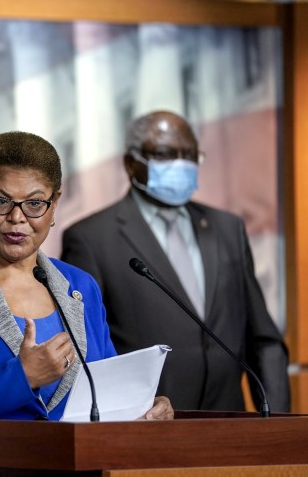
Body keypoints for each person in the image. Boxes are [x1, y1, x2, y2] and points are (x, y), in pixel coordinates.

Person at [0, 131, 173, 428]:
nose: (17, 218)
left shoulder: (80, 287)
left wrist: (144, 407)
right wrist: (21, 378)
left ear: (54, 204)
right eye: (0, 201)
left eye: (34, 204)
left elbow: (107, 394)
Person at [61, 110, 290, 413]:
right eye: (166, 154)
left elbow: (263, 339)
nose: (180, 164)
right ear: (131, 163)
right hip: (146, 425)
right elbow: (85, 348)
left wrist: (276, 423)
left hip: (228, 422)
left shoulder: (227, 229)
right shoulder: (91, 238)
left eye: (189, 155)